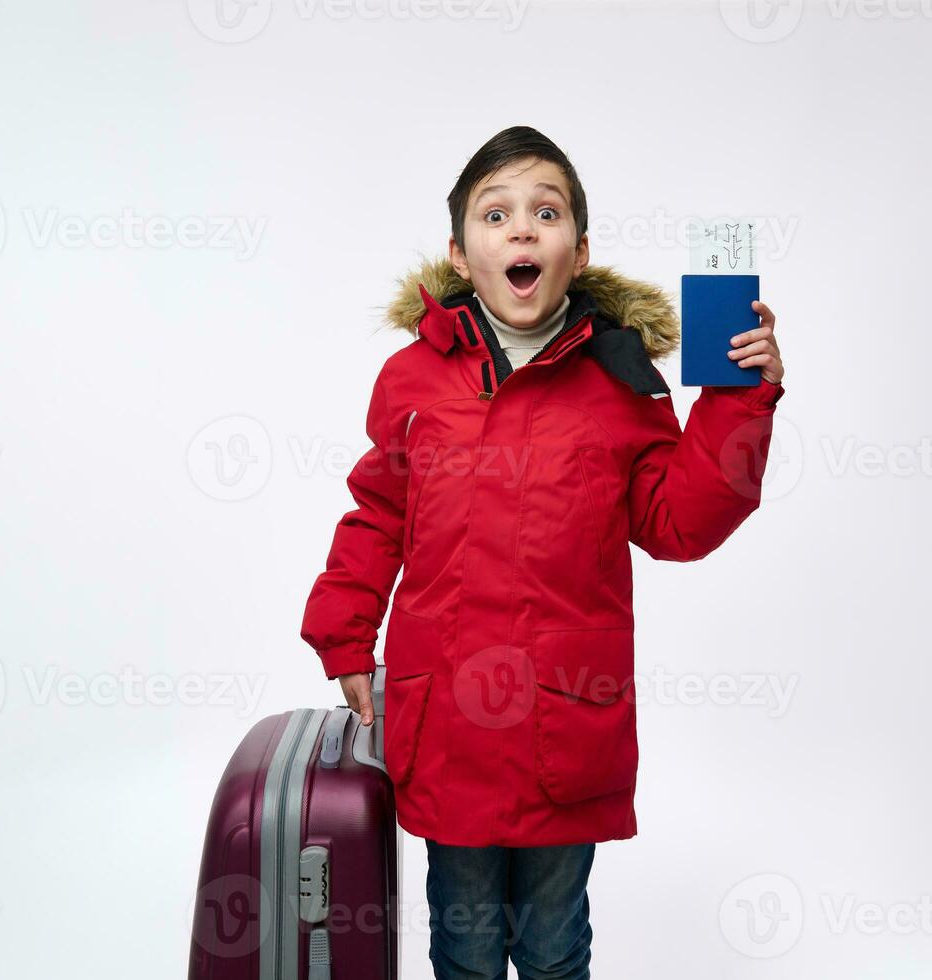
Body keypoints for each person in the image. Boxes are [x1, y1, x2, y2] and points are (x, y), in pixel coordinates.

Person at [301, 125, 785, 979]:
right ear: (460, 253)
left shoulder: (616, 379)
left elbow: (678, 523)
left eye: (545, 211)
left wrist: (737, 401)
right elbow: (377, 513)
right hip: (445, 719)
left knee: (556, 946)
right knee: (466, 945)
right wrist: (343, 632)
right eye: (496, 214)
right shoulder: (412, 380)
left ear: (579, 247)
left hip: (563, 719)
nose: (521, 229)